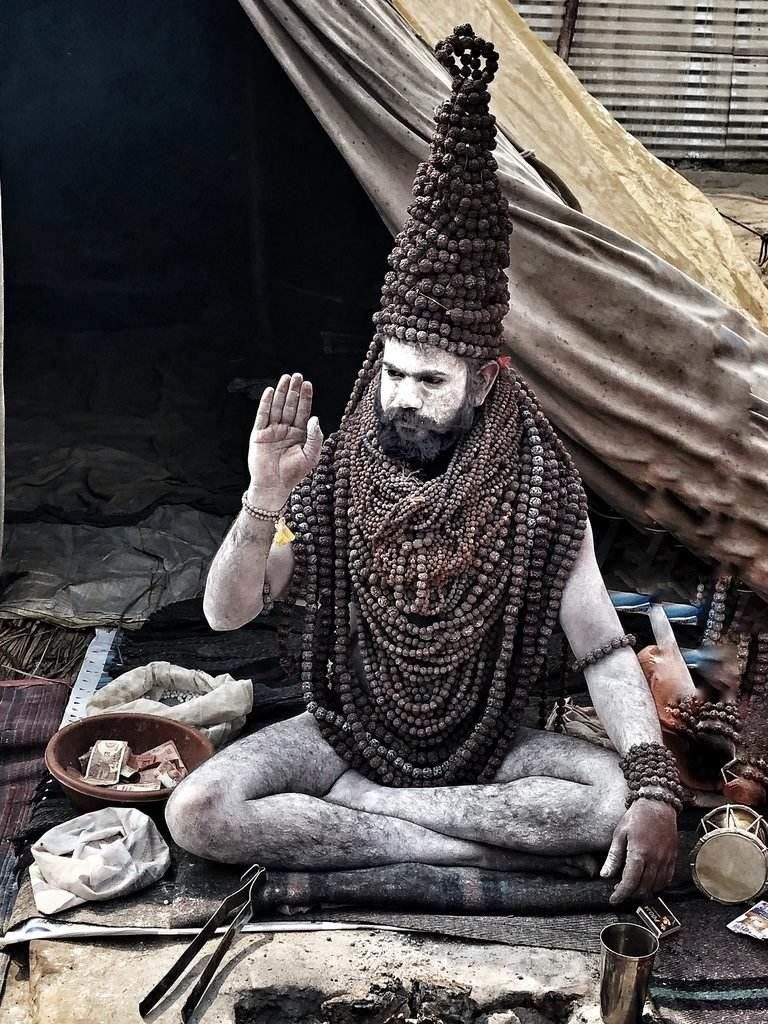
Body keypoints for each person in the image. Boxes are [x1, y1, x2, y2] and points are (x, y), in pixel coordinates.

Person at [167, 25, 680, 905]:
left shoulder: (538, 486)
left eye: (431, 380)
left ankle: (373, 828)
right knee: (200, 809)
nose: (403, 396)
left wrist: (658, 785)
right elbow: (227, 614)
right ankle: (461, 851)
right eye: (394, 373)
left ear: (485, 380)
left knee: (605, 802)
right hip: (348, 732)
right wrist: (263, 496)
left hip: (489, 743)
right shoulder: (340, 468)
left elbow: (600, 649)